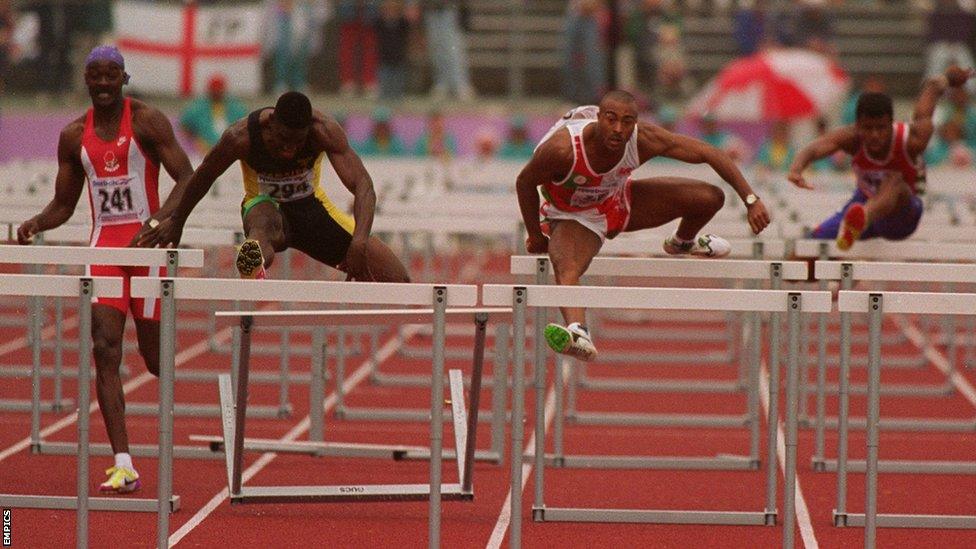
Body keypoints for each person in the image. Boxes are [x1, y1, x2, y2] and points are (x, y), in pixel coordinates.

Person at [16, 46, 195, 494]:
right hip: (106, 249)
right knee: (104, 346)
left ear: (123, 78)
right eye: (94, 77)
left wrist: (161, 223)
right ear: (85, 80)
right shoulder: (74, 136)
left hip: (148, 249)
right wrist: (37, 222)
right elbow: (63, 203)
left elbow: (188, 177)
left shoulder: (149, 123)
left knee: (154, 360)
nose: (101, 85)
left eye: (110, 76)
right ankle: (123, 462)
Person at [516, 90, 770, 361]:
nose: (618, 129)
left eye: (627, 122)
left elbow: (709, 152)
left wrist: (751, 200)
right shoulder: (562, 150)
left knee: (710, 198)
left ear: (636, 123)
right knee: (566, 265)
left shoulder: (643, 139)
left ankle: (682, 242)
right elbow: (524, 183)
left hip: (617, 200)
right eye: (611, 120)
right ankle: (579, 332)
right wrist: (535, 234)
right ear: (599, 119)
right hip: (573, 216)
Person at [135, 91, 410, 284]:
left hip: (312, 210)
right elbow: (204, 176)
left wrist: (360, 240)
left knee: (398, 277)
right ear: (271, 123)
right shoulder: (241, 137)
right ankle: (252, 260)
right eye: (282, 140)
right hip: (263, 205)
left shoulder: (324, 131)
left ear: (309, 131)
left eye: (297, 142)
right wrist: (178, 220)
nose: (289, 150)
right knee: (263, 225)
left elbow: (363, 185)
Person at [787, 66, 974, 251]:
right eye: (868, 128)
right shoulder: (851, 138)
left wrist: (948, 78)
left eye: (881, 128)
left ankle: (862, 219)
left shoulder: (912, 140)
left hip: (901, 215)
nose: (875, 135)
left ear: (891, 124)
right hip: (861, 202)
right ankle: (853, 245)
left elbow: (931, 91)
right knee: (803, 253)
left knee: (894, 181)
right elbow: (815, 148)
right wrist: (796, 168)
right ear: (858, 126)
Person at [179, 74, 248, 155]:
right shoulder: (196, 108)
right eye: (214, 90)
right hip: (203, 150)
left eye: (219, 89)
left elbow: (245, 126)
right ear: (209, 90)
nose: (217, 92)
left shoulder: (236, 107)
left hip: (232, 150)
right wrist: (195, 143)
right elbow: (185, 127)